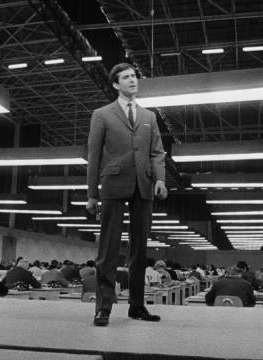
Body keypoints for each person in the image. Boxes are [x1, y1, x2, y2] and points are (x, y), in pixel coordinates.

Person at [86, 62, 167, 326]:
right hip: (113, 183)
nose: (133, 80)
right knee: (108, 249)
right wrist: (91, 195)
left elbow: (157, 152)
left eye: (134, 76)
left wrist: (160, 180)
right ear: (115, 84)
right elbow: (94, 155)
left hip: (143, 186)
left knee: (140, 250)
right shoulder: (102, 114)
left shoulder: (149, 117)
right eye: (126, 77)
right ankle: (104, 307)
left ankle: (137, 305)